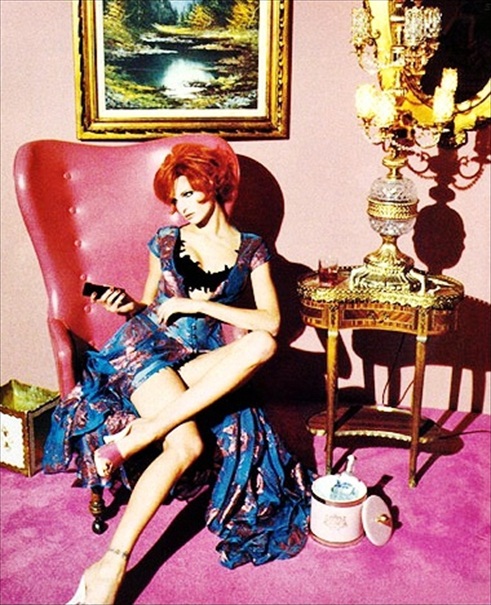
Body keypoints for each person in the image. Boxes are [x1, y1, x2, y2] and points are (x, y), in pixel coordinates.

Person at [42, 141, 311, 605]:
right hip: (144, 353)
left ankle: (144, 432)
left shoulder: (251, 250)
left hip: (197, 356)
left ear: (214, 187)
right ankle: (110, 567)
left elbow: (270, 321)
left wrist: (196, 304)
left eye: (188, 194)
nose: (181, 206)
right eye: (175, 199)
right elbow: (148, 307)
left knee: (263, 344)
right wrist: (129, 305)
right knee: (188, 445)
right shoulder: (166, 241)